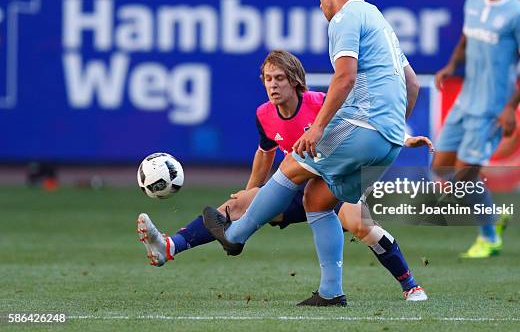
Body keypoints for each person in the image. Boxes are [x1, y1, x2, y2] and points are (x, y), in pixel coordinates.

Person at [201, 0, 418, 306]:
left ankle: (236, 234)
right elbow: (412, 83)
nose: (321, 5)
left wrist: (318, 128)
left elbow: (344, 77)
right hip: (389, 140)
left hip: (363, 126)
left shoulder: (345, 19)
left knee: (293, 164)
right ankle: (332, 292)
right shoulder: (378, 19)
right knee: (316, 200)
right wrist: (393, 129)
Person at [138, 50, 431, 301]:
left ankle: (410, 286)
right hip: (297, 189)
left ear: (295, 81)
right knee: (237, 206)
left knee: (359, 225)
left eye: (279, 78)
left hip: (335, 184)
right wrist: (249, 192)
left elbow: (363, 127)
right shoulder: (265, 114)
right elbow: (264, 154)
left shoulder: (320, 103)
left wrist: (405, 139)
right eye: (268, 79)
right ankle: (169, 246)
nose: (273, 85)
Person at [432, 0, 520, 258]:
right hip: (464, 102)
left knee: (465, 174)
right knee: (440, 169)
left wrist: (511, 107)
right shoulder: (473, 3)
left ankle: (489, 235)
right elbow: (466, 38)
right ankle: (493, 215)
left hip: (491, 109)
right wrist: (452, 65)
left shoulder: (519, 16)